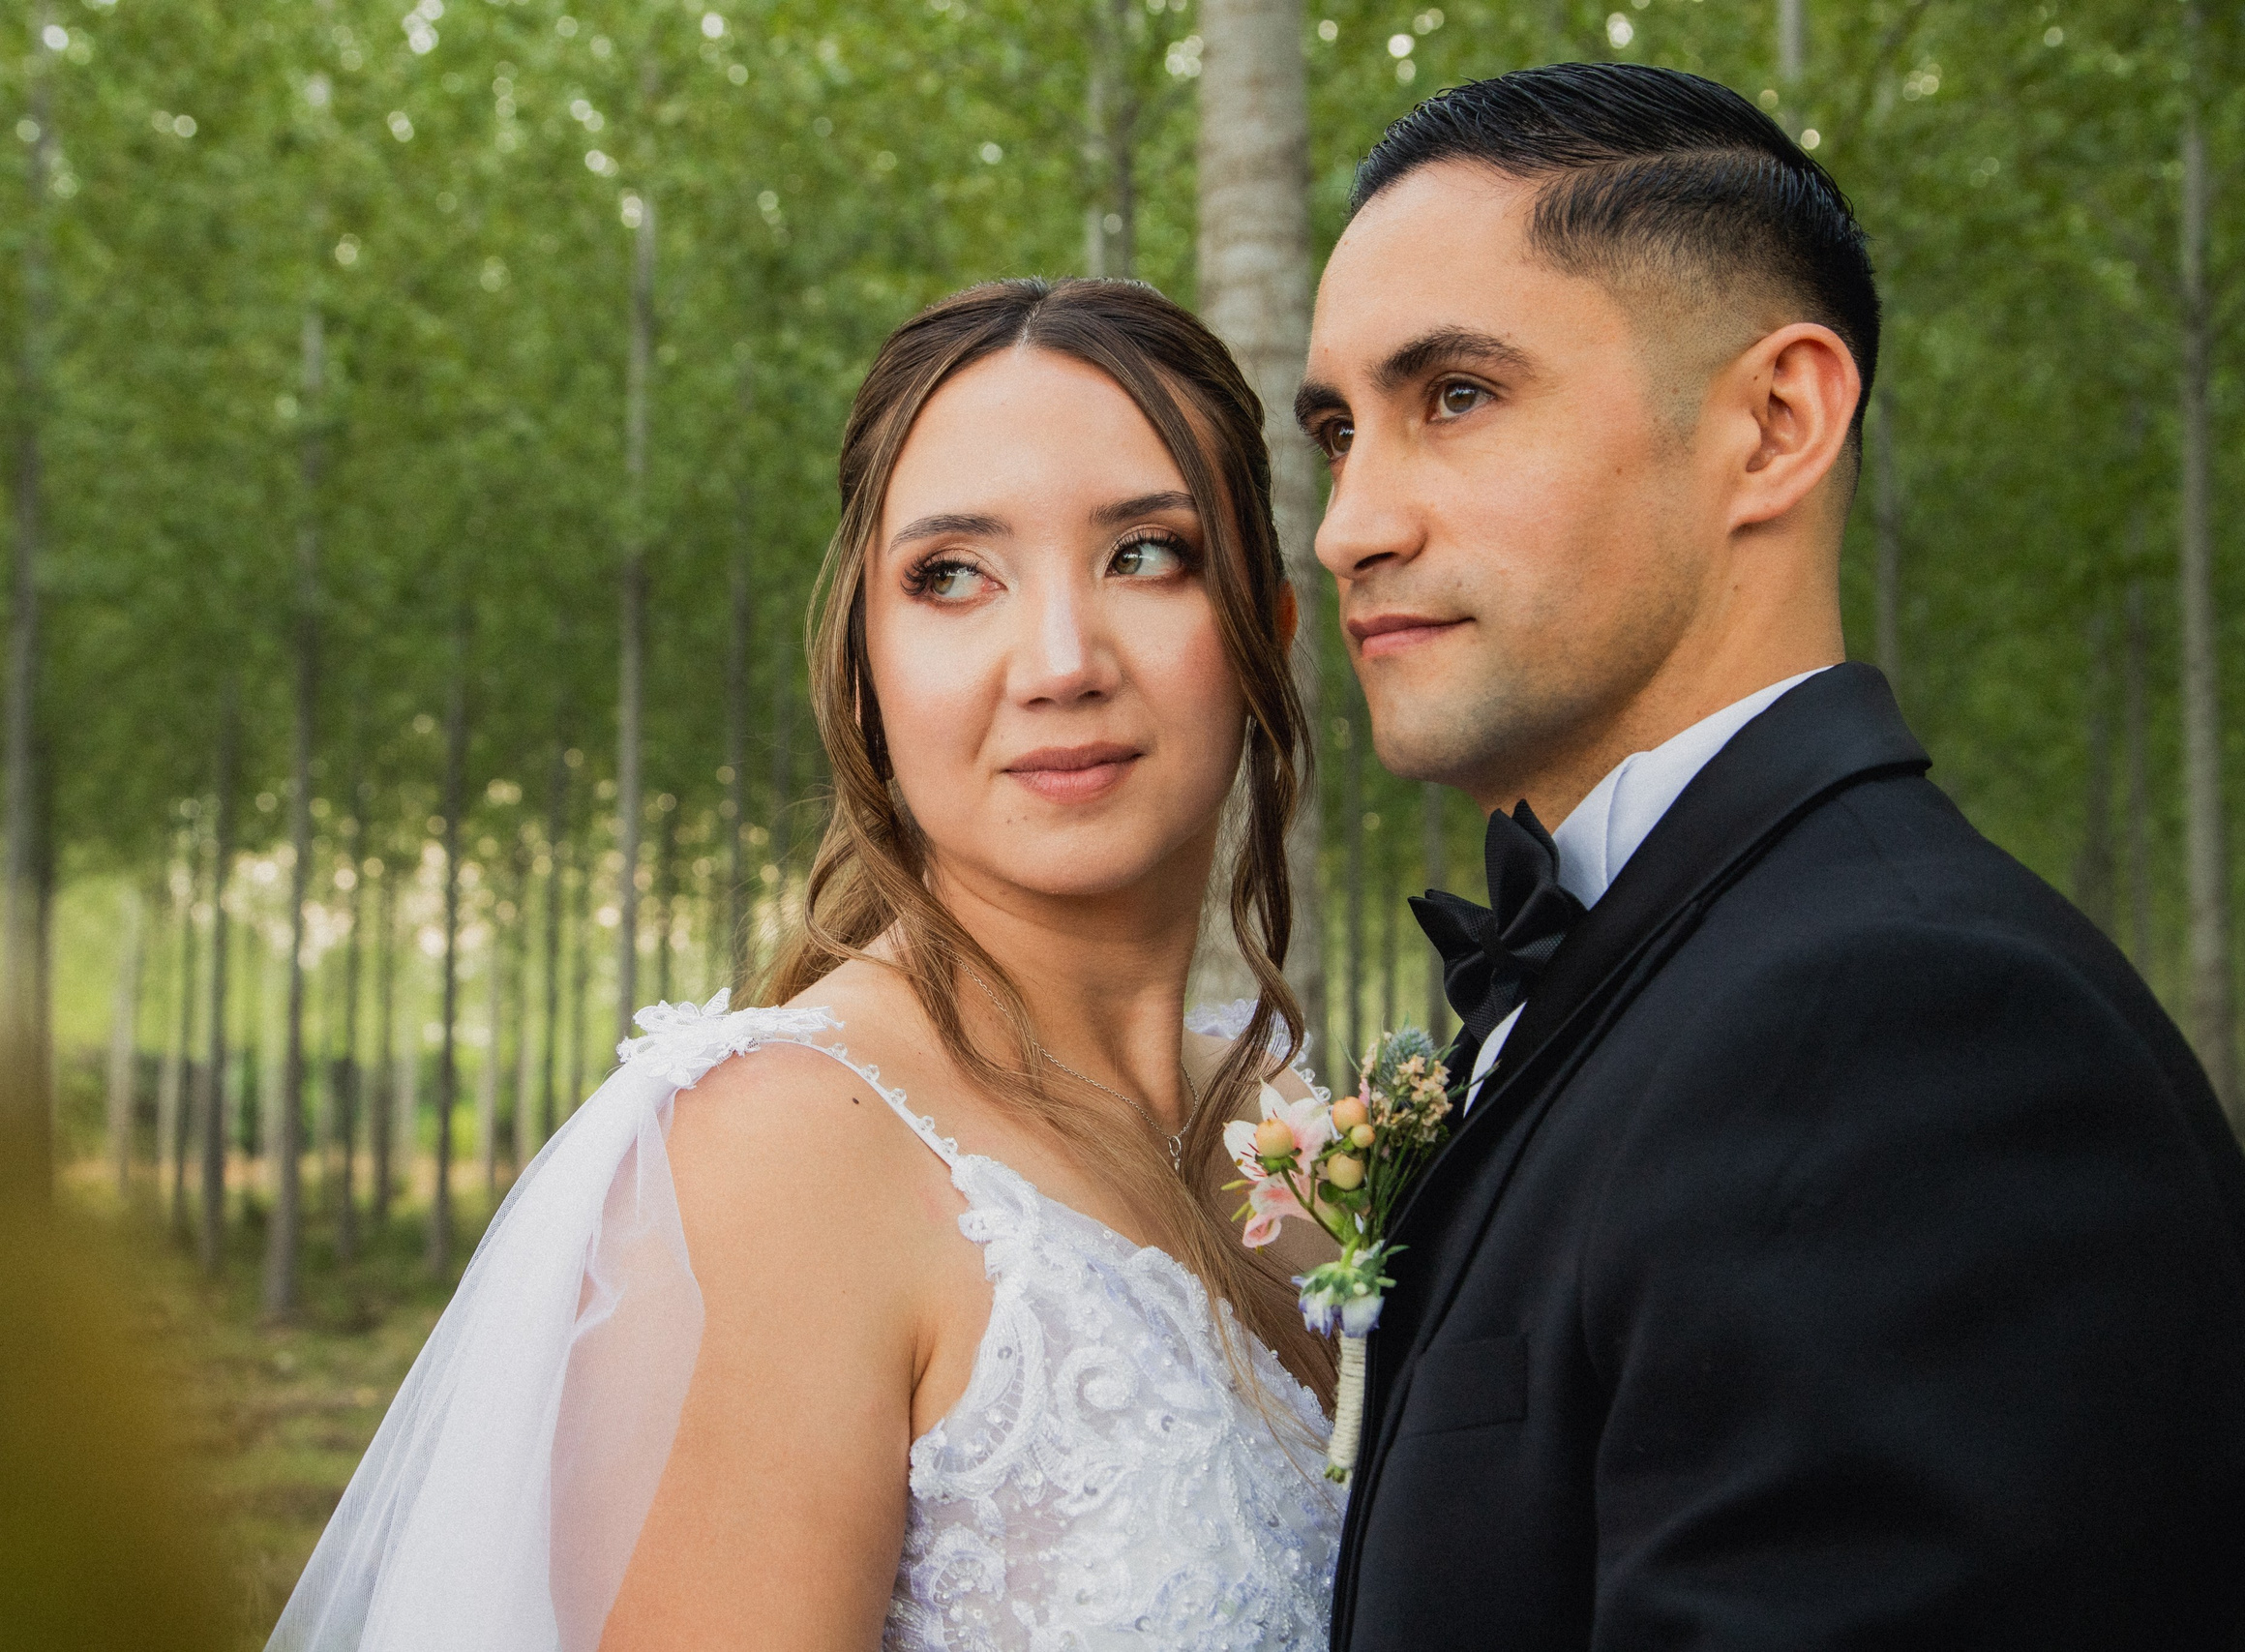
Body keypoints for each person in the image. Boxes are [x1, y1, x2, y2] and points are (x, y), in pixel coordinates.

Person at [1301, 62, 2245, 1650]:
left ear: (1774, 422)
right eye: (1338, 429)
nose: (1347, 524)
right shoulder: (1677, 972)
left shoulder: (1912, 1032)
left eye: (1452, 396)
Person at [268, 278, 1353, 1652]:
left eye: (1145, 554)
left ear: (1269, 630)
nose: (1061, 661)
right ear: (864, 671)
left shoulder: (1298, 1148)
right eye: (954, 575)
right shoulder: (786, 1157)